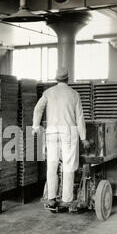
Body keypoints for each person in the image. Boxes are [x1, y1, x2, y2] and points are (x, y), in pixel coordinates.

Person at [32, 67, 90, 210]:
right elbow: (80, 118)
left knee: (52, 165)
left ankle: (51, 199)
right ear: (67, 79)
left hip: (52, 132)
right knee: (68, 165)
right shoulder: (74, 94)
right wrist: (84, 138)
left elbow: (38, 109)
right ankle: (66, 199)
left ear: (56, 79)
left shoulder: (48, 93)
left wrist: (35, 126)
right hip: (68, 132)